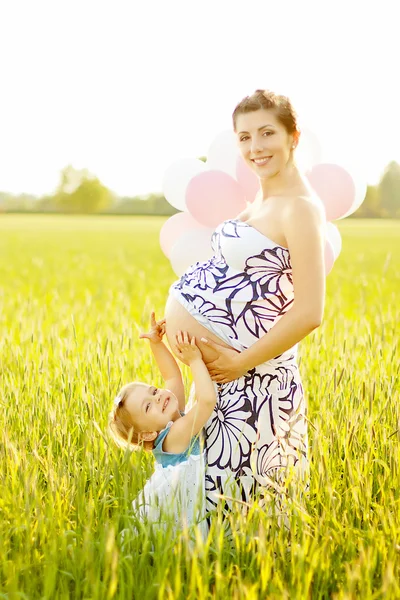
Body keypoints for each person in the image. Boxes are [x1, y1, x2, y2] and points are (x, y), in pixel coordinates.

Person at [162, 89, 326, 525]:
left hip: (254, 380)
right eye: (244, 137)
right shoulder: (261, 200)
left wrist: (238, 363)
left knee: (246, 515)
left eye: (267, 133)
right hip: (225, 380)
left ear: (294, 136)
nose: (255, 147)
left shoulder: (302, 209)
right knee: (216, 505)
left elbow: (310, 311)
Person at [108, 312, 217, 538]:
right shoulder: (174, 435)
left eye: (154, 391)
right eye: (148, 407)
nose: (158, 397)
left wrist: (156, 344)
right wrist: (195, 360)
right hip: (193, 514)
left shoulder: (168, 418)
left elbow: (172, 379)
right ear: (149, 434)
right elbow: (206, 401)